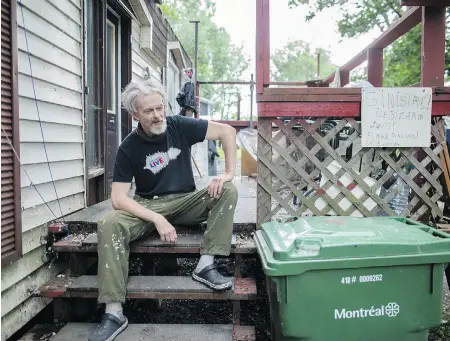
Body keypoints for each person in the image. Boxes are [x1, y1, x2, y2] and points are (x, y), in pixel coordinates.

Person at [88, 79, 238, 341]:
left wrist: (227, 174)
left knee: (228, 190)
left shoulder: (179, 126)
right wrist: (156, 218)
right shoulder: (128, 147)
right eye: (149, 111)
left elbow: (228, 132)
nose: (157, 116)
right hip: (148, 204)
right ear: (135, 114)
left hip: (186, 201)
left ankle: (205, 265)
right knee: (109, 223)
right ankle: (114, 312)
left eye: (160, 108)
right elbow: (118, 199)